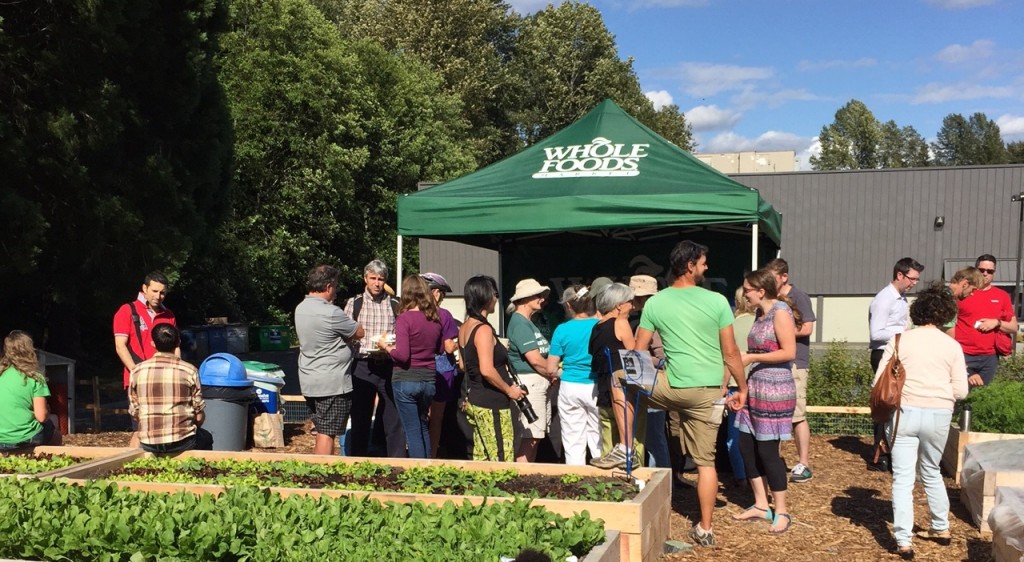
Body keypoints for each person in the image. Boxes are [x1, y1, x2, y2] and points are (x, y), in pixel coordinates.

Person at [632, 240, 748, 548]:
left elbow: (637, 351)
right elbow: (731, 352)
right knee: (706, 463)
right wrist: (743, 388)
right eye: (703, 262)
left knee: (618, 379)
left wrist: (645, 384)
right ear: (689, 266)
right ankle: (705, 529)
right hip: (708, 392)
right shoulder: (718, 301)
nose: (706, 267)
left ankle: (625, 443)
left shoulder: (655, 303)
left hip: (670, 388)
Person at [873, 283, 969, 559]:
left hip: (904, 413)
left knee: (903, 478)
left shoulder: (900, 340)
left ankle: (903, 539)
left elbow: (878, 380)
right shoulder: (952, 346)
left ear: (916, 311)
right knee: (931, 470)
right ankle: (941, 526)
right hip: (939, 414)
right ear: (946, 314)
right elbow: (961, 390)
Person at [731, 269, 801, 535]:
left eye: (747, 289)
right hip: (756, 384)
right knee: (745, 446)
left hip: (775, 387)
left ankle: (782, 510)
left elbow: (789, 351)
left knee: (768, 451)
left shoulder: (780, 311)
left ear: (761, 291)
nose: (745, 293)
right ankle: (761, 504)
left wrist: (751, 357)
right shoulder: (760, 314)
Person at [295, 265, 364, 456]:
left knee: (321, 429)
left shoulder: (300, 308)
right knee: (327, 433)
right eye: (335, 287)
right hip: (332, 382)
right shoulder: (331, 312)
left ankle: (317, 472)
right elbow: (359, 332)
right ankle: (322, 474)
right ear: (328, 287)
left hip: (310, 378)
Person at [458, 275, 526, 462]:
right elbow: (487, 370)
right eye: (495, 294)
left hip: (476, 400)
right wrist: (509, 390)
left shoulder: (464, 327)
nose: (497, 299)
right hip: (492, 403)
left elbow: (463, 365)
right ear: (486, 296)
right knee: (501, 458)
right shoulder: (483, 330)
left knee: (482, 458)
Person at [377, 275, 443, 458]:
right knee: (423, 427)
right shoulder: (435, 319)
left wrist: (386, 347)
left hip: (406, 379)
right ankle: (429, 469)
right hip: (429, 380)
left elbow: (403, 356)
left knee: (412, 431)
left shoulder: (404, 319)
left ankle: (418, 474)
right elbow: (439, 349)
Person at [344, 259, 406, 457]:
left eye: (380, 279)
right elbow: (345, 334)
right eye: (373, 278)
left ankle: (397, 463)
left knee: (393, 417)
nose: (377, 283)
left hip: (388, 365)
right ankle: (358, 461)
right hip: (362, 365)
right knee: (361, 416)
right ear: (365, 279)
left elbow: (403, 334)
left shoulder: (395, 304)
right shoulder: (354, 304)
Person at [764, 258, 817, 484]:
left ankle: (803, 463)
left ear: (784, 277)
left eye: (772, 278)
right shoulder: (770, 299)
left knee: (797, 415)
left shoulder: (799, 297)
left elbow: (807, 327)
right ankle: (772, 460)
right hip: (774, 362)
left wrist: (781, 331)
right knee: (773, 413)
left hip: (796, 363)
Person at [868, 257, 923, 471]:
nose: (914, 283)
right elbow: (876, 333)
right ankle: (879, 455)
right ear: (899, 275)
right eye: (912, 279)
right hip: (883, 355)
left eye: (917, 280)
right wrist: (905, 332)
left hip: (896, 355)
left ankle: (889, 452)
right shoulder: (884, 299)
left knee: (896, 404)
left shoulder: (901, 298)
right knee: (886, 402)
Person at [113, 271, 178, 448]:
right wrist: (136, 372)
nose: (158, 296)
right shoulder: (127, 311)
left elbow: (176, 346)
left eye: (162, 292)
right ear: (145, 289)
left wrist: (178, 370)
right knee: (140, 428)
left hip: (165, 378)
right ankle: (130, 466)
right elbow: (121, 346)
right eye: (154, 291)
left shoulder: (168, 315)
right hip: (138, 378)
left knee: (165, 427)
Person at [128, 324, 209, 453]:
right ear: (178, 343)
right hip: (182, 442)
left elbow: (135, 413)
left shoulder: (136, 371)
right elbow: (199, 416)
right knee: (206, 438)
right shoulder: (189, 370)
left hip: (149, 443)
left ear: (153, 344)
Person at [545, 284, 601, 465]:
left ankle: (575, 480)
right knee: (598, 435)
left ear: (568, 306)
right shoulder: (600, 326)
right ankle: (603, 480)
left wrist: (564, 372)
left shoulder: (562, 330)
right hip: (596, 385)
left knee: (572, 439)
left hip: (570, 386)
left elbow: (550, 368)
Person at [588, 283, 639, 469]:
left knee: (608, 441)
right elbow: (634, 355)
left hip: (603, 392)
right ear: (619, 305)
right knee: (634, 443)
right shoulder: (621, 323)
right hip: (625, 394)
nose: (632, 307)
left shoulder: (596, 328)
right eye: (630, 302)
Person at [505, 278, 556, 463]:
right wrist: (556, 373)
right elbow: (534, 360)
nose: (542, 299)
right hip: (531, 384)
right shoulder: (520, 323)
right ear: (525, 298)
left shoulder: (527, 322)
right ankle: (522, 478)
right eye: (537, 295)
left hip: (538, 383)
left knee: (535, 436)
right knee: (531, 436)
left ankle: (527, 476)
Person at [955, 254, 1018, 387]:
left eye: (990, 271)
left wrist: (997, 323)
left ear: (994, 273)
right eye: (981, 270)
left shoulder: (1002, 296)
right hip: (963, 353)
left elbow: (1014, 327)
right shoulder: (964, 292)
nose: (985, 274)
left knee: (983, 395)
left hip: (989, 357)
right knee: (960, 393)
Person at [419, 273, 460, 457]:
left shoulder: (412, 313)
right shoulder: (444, 315)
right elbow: (449, 347)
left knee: (419, 418)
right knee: (436, 420)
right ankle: (432, 456)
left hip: (418, 370)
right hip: (442, 373)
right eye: (443, 294)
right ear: (436, 293)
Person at [629, 275, 666, 469]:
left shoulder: (654, 320)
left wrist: (639, 355)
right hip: (651, 382)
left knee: (653, 437)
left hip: (654, 384)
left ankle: (660, 480)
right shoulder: (655, 316)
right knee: (653, 436)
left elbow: (664, 359)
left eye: (635, 298)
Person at [0, 331, 56, 449]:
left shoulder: (1, 375)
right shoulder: (35, 378)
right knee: (53, 428)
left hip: (1, 438)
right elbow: (41, 416)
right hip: (26, 437)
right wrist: (47, 411)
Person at [943, 267, 983, 338]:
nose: (972, 293)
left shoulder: (942, 294)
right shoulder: (947, 301)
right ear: (965, 284)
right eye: (973, 289)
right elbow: (948, 333)